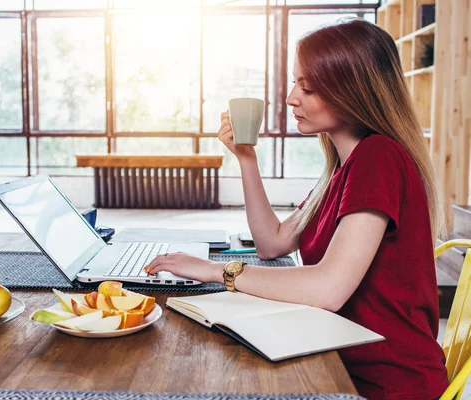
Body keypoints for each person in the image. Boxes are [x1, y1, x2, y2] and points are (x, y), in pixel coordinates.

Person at [144, 18, 449, 399]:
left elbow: (327, 288)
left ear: (353, 91)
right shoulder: (343, 169)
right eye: (294, 82)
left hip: (385, 381)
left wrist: (213, 270)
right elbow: (272, 243)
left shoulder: (378, 157)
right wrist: (246, 160)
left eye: (308, 87)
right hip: (340, 356)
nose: (291, 97)